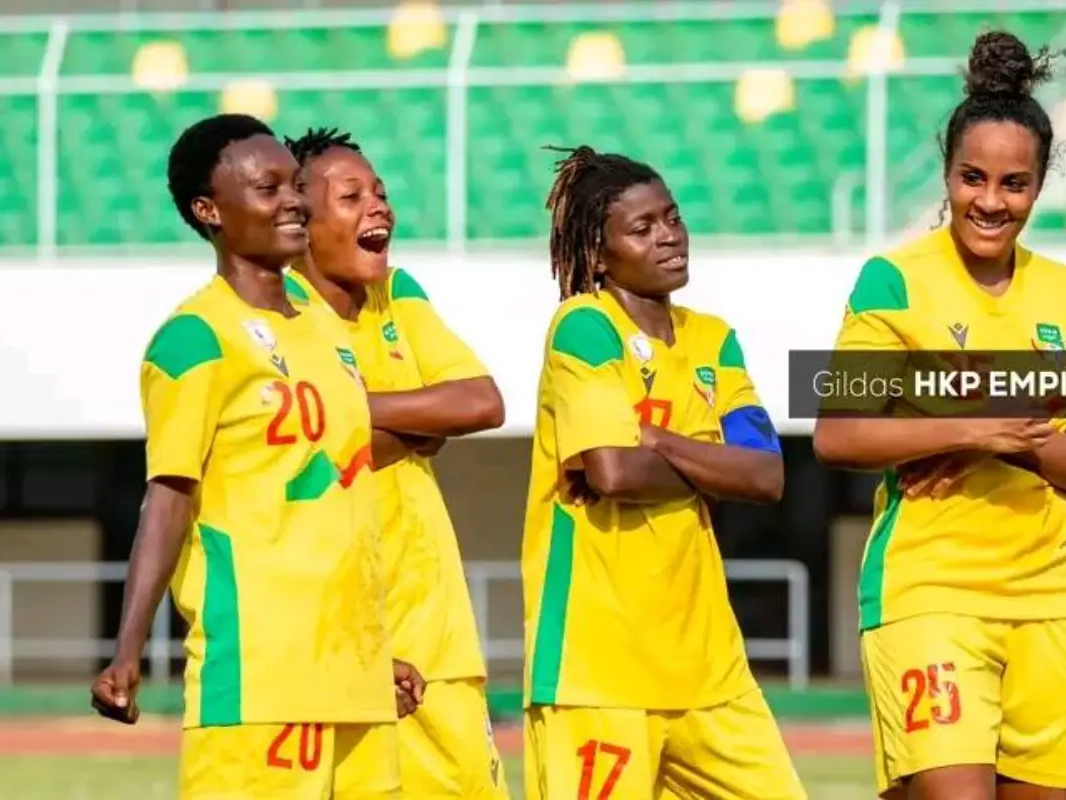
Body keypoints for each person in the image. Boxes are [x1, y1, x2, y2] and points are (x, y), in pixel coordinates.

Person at [813, 31, 1066, 800]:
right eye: (971, 177)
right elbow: (840, 433)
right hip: (928, 591)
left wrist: (980, 411)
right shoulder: (894, 281)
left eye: (1014, 183)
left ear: (1040, 185)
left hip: (1048, 598)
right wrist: (988, 424)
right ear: (946, 175)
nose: (990, 200)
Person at [88, 113, 424, 799]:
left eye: (295, 185)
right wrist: (127, 647)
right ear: (208, 210)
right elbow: (169, 495)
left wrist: (371, 651)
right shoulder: (194, 339)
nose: (294, 201)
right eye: (268, 188)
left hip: (356, 673)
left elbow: (338, 481)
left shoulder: (326, 331)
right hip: (261, 678)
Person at [522, 144, 805, 800]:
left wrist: (664, 442)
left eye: (673, 218)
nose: (670, 236)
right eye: (643, 227)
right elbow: (614, 471)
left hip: (710, 670)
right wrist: (711, 462)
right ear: (598, 253)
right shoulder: (585, 327)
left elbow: (767, 478)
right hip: (599, 670)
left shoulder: (713, 339)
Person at [282, 127, 511, 798]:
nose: (378, 207)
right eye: (351, 196)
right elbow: (294, 456)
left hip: (438, 636)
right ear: (302, 222)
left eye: (380, 192)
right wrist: (416, 423)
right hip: (341, 642)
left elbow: (480, 401)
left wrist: (348, 410)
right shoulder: (282, 317)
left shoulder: (399, 293)